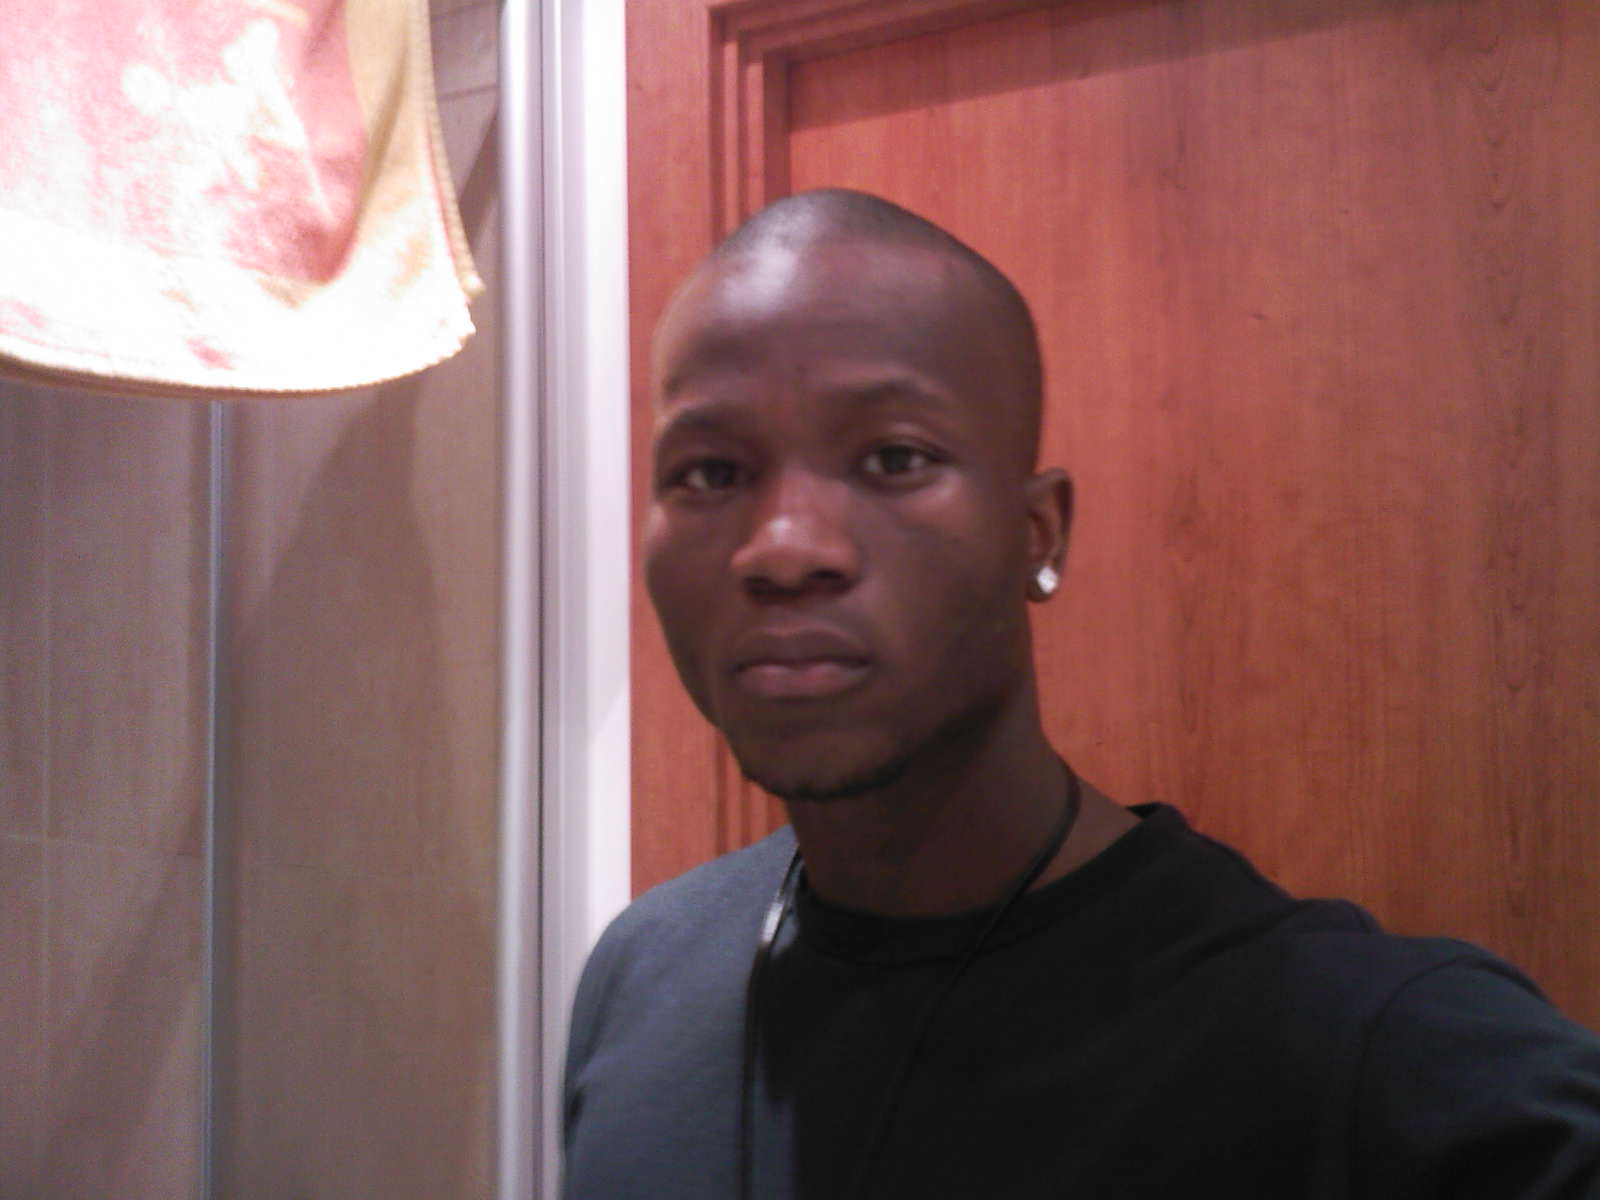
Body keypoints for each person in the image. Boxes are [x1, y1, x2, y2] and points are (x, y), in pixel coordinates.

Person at [562, 188, 1600, 1198]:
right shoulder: (644, 974)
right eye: (708, 473)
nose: (784, 549)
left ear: (1038, 534)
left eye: (893, 458)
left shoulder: (1378, 1064)